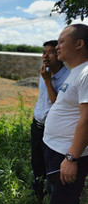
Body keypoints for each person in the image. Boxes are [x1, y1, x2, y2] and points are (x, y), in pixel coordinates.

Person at [43, 24, 88, 204]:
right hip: (54, 149)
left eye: (61, 42)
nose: (57, 47)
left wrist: (71, 158)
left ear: (79, 44)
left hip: (66, 153)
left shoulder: (86, 73)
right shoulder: (75, 71)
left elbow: (87, 119)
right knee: (57, 196)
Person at [31, 40, 70, 201]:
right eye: (44, 52)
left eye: (51, 52)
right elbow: (42, 98)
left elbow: (57, 105)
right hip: (37, 126)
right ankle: (38, 193)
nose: (45, 55)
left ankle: (52, 195)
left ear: (59, 55)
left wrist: (48, 81)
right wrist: (35, 117)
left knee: (51, 166)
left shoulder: (67, 78)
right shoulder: (44, 72)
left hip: (52, 129)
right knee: (36, 162)